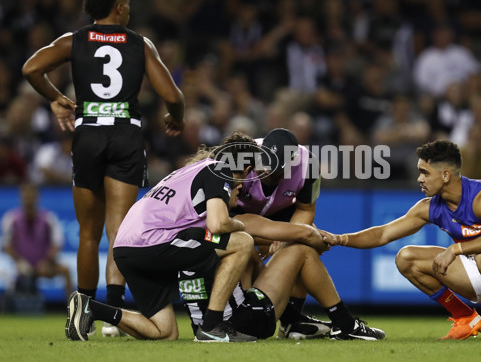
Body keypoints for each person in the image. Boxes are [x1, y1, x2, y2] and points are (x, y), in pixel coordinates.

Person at [22, 0, 185, 337]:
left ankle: (79, 311)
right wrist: (177, 118)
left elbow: (31, 68)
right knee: (120, 232)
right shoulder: (140, 44)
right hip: (126, 134)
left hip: (89, 133)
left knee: (87, 234)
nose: (130, 8)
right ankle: (110, 314)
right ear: (119, 6)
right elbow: (172, 95)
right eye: (127, 2)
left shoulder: (74, 39)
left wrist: (56, 99)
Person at [322, 140, 481, 341]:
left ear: (445, 175)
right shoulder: (430, 207)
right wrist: (340, 239)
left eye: (424, 173)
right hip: (480, 270)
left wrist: (456, 249)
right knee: (406, 258)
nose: (419, 179)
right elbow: (383, 234)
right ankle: (465, 317)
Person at [64, 132, 256, 342]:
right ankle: (211, 327)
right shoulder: (220, 169)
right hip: (152, 242)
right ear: (246, 168)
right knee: (242, 242)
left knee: (164, 332)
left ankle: (91, 308)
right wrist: (240, 225)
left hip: (125, 248)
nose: (242, 186)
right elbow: (218, 224)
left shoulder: (191, 170)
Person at [179, 217, 386, 341]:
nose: (238, 188)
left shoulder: (184, 234)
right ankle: (345, 325)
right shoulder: (233, 222)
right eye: (233, 188)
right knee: (302, 249)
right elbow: (307, 234)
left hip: (202, 325)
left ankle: (292, 320)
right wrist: (326, 241)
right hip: (240, 324)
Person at [232, 127, 330, 339]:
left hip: (281, 211)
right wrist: (264, 237)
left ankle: (290, 322)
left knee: (303, 243)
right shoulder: (242, 154)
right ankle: (241, 314)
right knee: (242, 249)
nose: (266, 172)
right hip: (239, 212)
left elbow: (305, 209)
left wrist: (284, 237)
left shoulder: (309, 165)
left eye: (275, 169)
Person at [1, 183, 73, 299]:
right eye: (26, 195)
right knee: (11, 272)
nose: (29, 199)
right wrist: (19, 261)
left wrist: (47, 261)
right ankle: (11, 305)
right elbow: (7, 246)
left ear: (37, 197)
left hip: (43, 265)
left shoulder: (48, 219)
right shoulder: (11, 219)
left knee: (65, 270)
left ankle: (72, 308)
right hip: (20, 266)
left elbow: (56, 244)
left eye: (31, 196)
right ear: (21, 197)